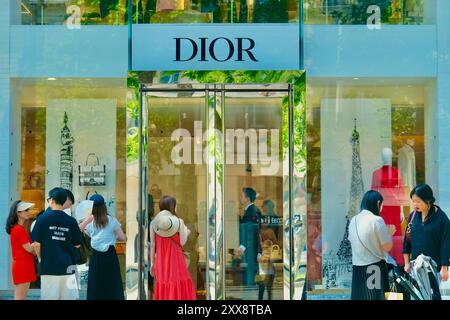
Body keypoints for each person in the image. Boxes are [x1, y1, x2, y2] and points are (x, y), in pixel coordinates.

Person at [31, 187, 83, 300]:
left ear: (52, 200)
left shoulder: (42, 219)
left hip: (49, 266)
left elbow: (36, 243)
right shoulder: (71, 221)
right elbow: (77, 244)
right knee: (69, 298)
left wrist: (40, 259)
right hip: (69, 266)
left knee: (50, 297)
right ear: (64, 201)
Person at [403, 183, 450, 300]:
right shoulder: (412, 217)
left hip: (433, 270)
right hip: (415, 268)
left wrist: (445, 268)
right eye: (413, 201)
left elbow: (446, 245)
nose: (415, 204)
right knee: (416, 297)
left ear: (428, 201)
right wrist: (407, 263)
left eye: (418, 201)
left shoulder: (442, 219)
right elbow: (406, 240)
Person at [348, 190, 396, 300]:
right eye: (382, 205)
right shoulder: (377, 220)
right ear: (378, 203)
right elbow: (387, 246)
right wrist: (390, 233)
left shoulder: (353, 220)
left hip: (357, 270)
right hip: (374, 268)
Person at [79, 194, 126, 300]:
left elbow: (82, 232)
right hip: (110, 255)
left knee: (96, 283)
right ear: (104, 206)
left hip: (95, 255)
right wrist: (114, 236)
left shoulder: (89, 222)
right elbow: (122, 237)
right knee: (112, 283)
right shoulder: (112, 220)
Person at [150, 195, 196, 300]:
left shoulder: (154, 223)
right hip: (176, 259)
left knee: (163, 283)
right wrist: (187, 232)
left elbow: (153, 245)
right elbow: (182, 242)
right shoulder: (179, 222)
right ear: (172, 207)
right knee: (178, 282)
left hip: (161, 261)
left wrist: (152, 263)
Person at [5, 200, 37, 300]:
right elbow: (29, 249)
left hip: (23, 265)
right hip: (23, 266)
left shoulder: (18, 228)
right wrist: (39, 242)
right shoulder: (18, 229)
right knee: (20, 298)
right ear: (18, 213)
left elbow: (30, 249)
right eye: (25, 210)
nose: (28, 212)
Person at [238, 187, 262, 286]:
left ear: (247, 198)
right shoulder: (250, 210)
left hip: (250, 250)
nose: (240, 198)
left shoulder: (252, 211)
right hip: (250, 249)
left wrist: (242, 247)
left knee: (250, 278)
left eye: (242, 196)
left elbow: (251, 232)